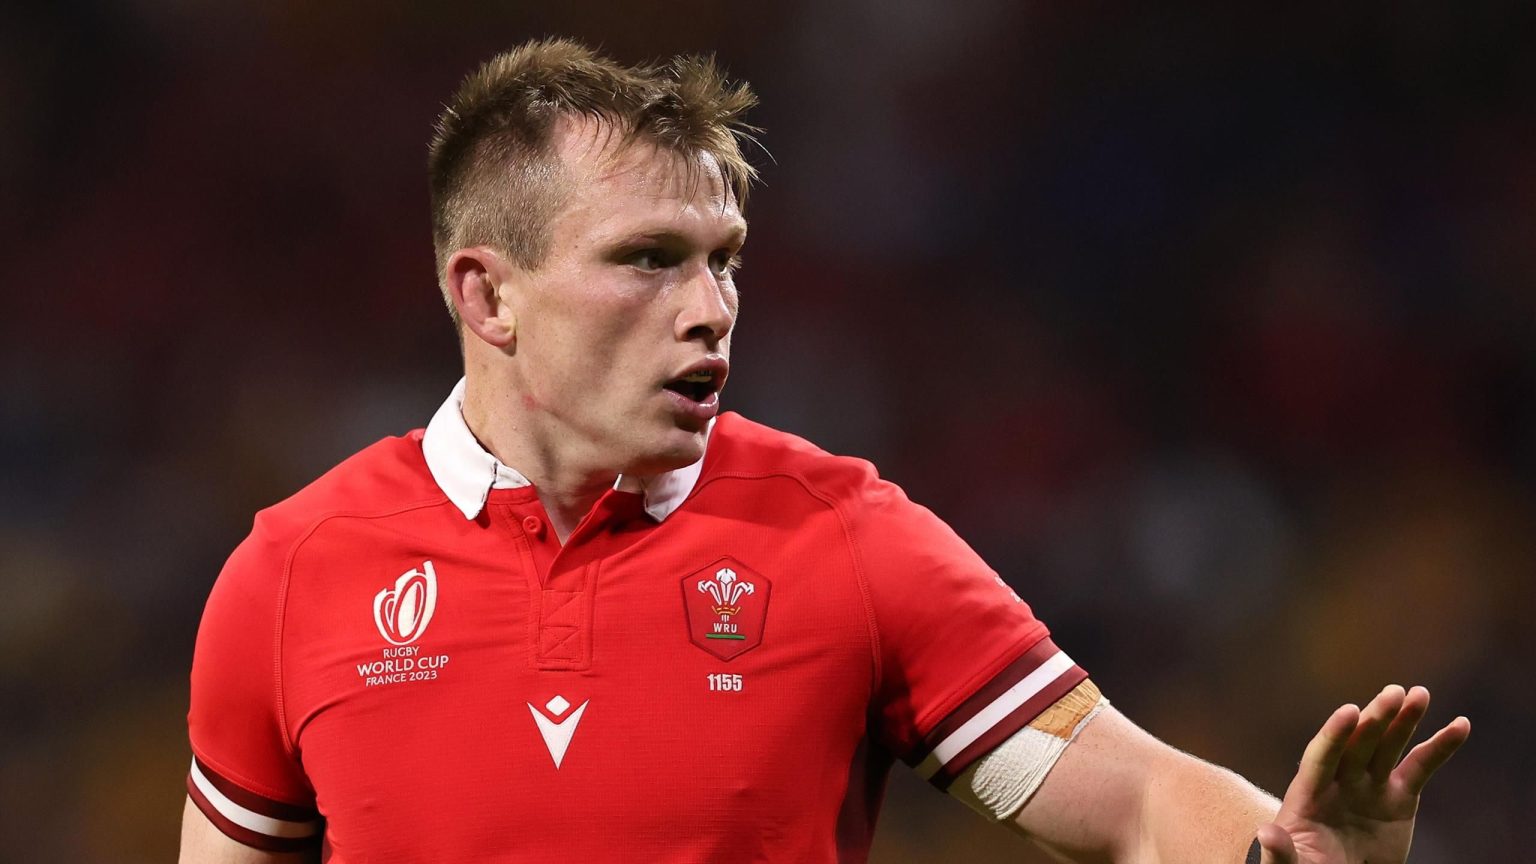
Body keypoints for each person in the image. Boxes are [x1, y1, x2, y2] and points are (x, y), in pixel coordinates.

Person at [179, 38, 1469, 864]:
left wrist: (1286, 857)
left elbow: (1132, 796)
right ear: (488, 293)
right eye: (648, 259)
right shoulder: (292, 576)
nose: (710, 308)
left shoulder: (842, 538)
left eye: (725, 261)